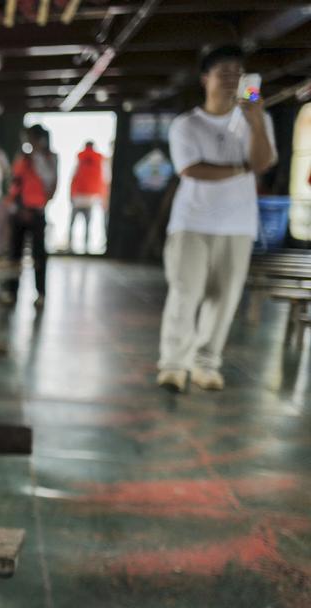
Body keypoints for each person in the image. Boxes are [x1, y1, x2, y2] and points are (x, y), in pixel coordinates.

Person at [157, 44, 277, 393]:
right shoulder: (187, 124)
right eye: (223, 73)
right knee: (185, 293)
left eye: (237, 74)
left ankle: (206, 363)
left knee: (224, 300)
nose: (231, 80)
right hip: (191, 223)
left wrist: (255, 121)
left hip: (238, 224)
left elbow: (265, 162)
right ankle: (174, 366)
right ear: (204, 79)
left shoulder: (259, 120)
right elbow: (191, 169)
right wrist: (242, 168)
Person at [4, 124, 57, 307]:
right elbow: (14, 183)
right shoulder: (22, 158)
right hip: (20, 213)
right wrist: (18, 208)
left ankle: (40, 294)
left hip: (37, 213)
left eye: (33, 138)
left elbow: (50, 184)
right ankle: (11, 293)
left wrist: (37, 156)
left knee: (39, 256)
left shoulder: (49, 159)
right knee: (15, 255)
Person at [68, 140, 106, 254]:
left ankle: (70, 246)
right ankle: (86, 248)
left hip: (78, 197)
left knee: (72, 223)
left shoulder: (80, 157)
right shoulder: (99, 159)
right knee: (88, 224)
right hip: (91, 198)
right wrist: (101, 197)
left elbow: (74, 176)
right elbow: (103, 179)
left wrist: (71, 194)